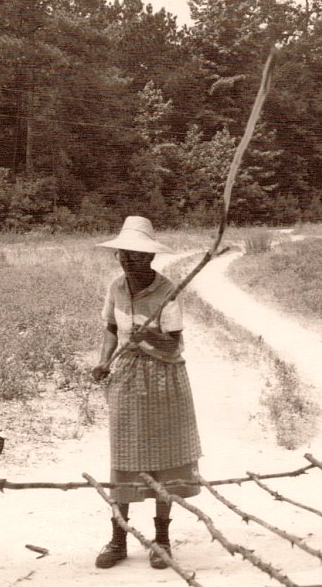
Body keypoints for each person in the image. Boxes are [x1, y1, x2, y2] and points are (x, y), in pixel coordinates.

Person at [91, 215, 202, 570]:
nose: (128, 260)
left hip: (163, 378)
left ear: (150, 257)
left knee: (164, 460)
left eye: (136, 254)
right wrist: (104, 361)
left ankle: (162, 540)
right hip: (125, 377)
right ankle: (119, 538)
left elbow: (173, 346)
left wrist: (148, 335)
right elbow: (111, 328)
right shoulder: (116, 288)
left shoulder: (168, 290)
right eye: (123, 254)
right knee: (124, 458)